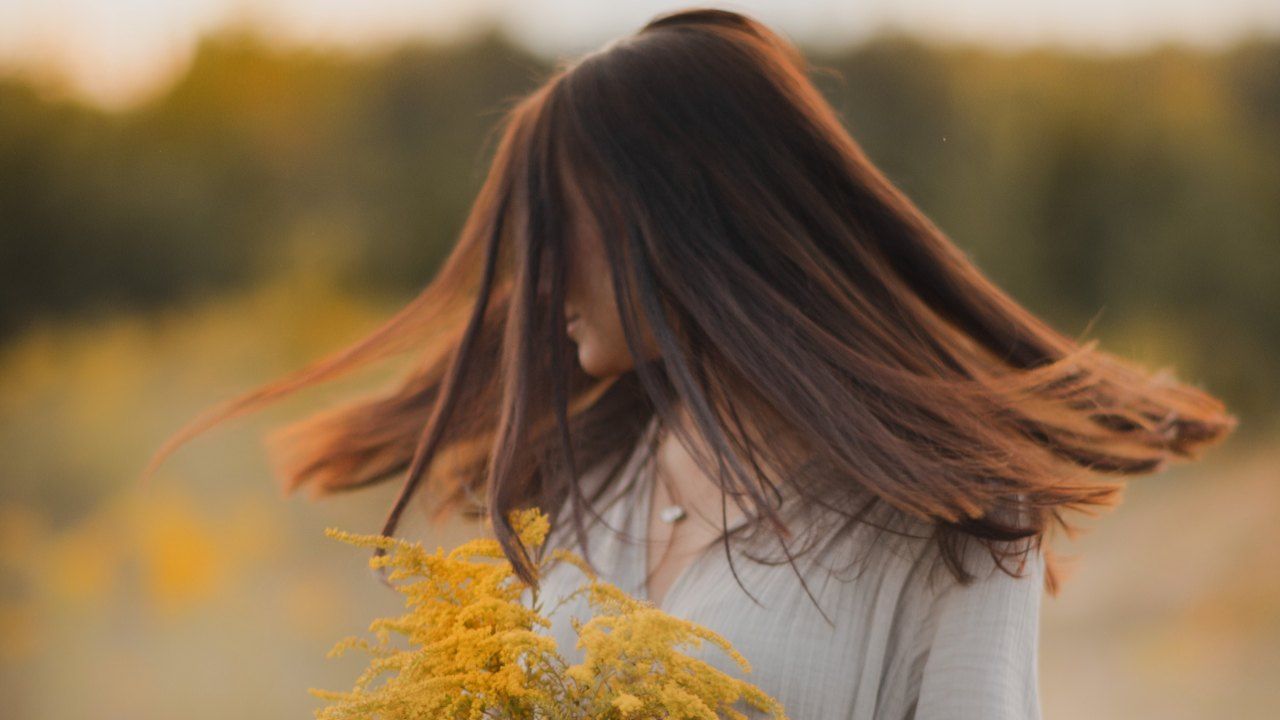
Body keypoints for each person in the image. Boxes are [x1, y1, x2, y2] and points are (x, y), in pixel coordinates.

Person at [144, 7, 1237, 719]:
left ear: (663, 226)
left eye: (550, 233)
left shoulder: (953, 522)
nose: (533, 283)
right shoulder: (581, 488)